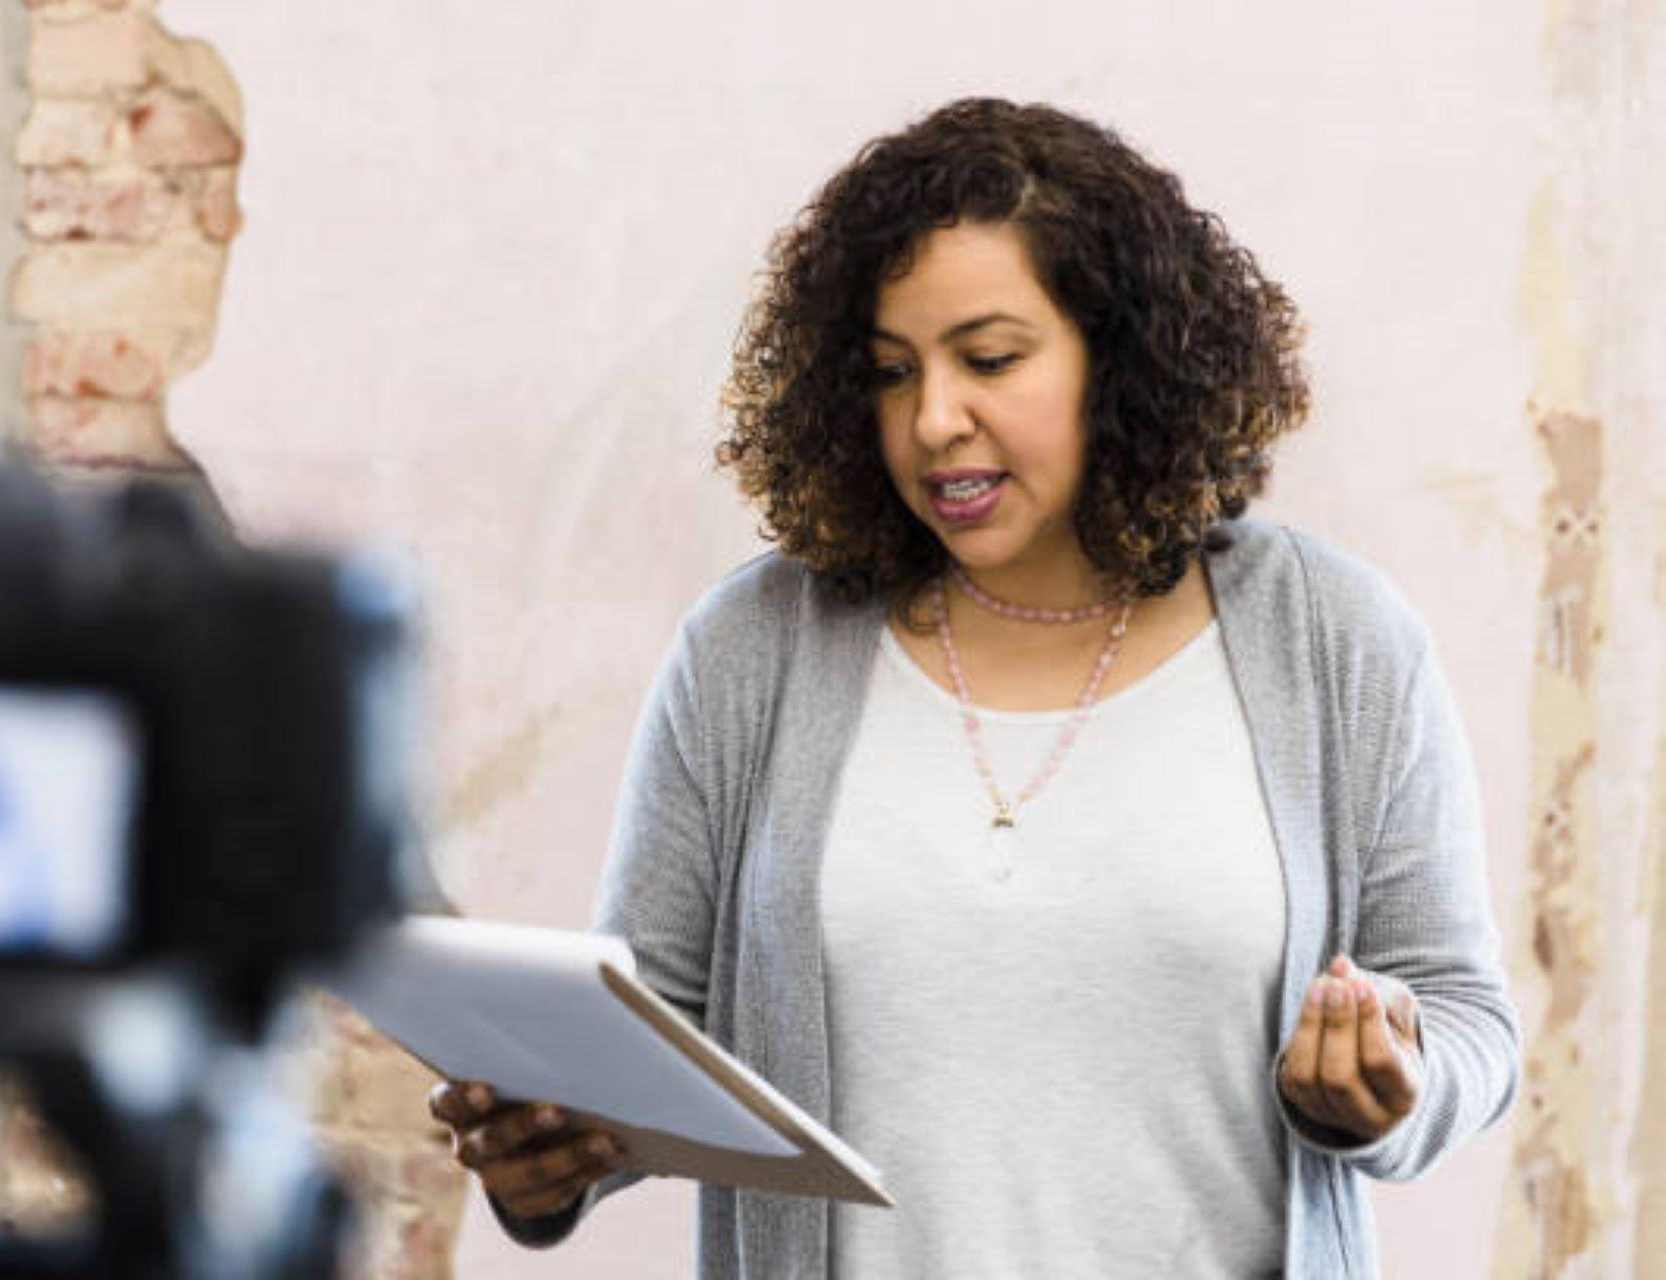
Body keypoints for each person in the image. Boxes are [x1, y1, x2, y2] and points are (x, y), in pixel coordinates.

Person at [428, 98, 1521, 1278]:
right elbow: (652, 1039)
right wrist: (549, 1155)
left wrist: (1389, 1088)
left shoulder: (1338, 641)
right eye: (892, 373)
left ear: (1126, 358)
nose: (933, 420)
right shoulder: (752, 649)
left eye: (990, 359)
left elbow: (1465, 1017)